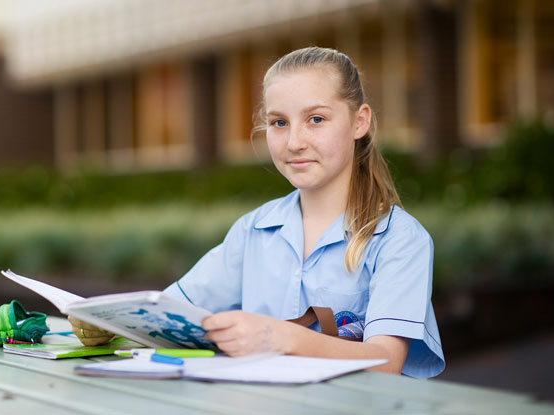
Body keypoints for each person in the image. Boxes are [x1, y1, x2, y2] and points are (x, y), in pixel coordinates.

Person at [71, 46, 444, 379]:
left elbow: (386, 362)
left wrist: (280, 337)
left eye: (316, 119)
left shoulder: (400, 240)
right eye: (279, 123)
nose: (295, 142)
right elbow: (169, 311)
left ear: (359, 122)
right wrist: (107, 321)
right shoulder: (253, 231)